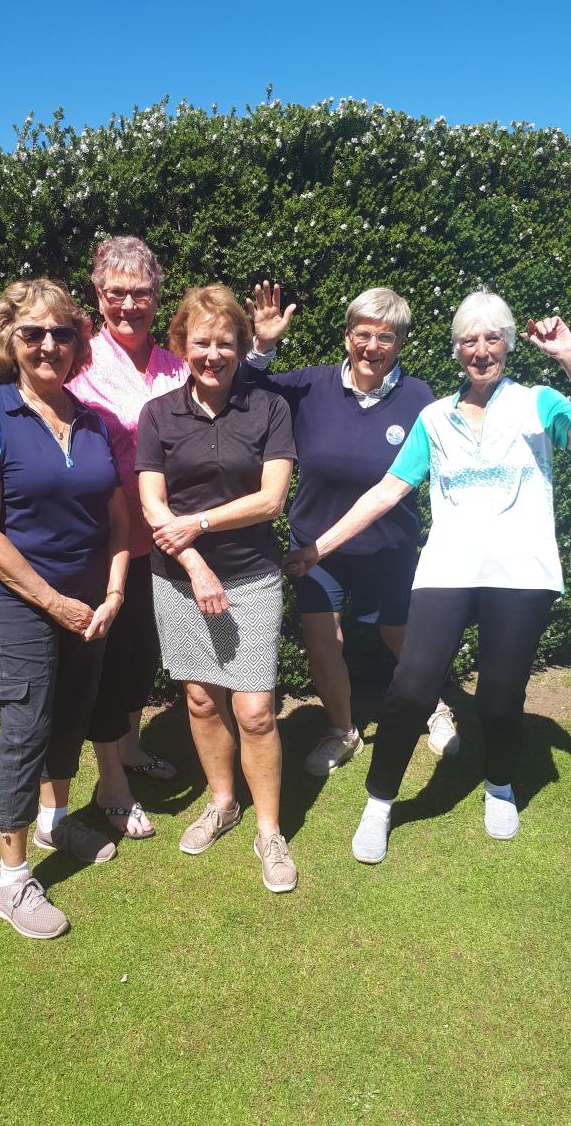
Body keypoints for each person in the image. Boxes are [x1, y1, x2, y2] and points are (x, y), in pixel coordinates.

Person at [285, 293, 571, 861]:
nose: (481, 351)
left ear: (510, 345)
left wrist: (567, 356)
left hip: (521, 573)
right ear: (457, 350)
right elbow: (387, 492)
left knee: (499, 699)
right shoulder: (434, 417)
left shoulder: (539, 404)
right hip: (447, 569)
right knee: (412, 688)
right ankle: (379, 803)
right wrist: (318, 549)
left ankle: (499, 784)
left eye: (492, 339)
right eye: (469, 340)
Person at [68, 237, 280, 836]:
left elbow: (228, 393)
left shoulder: (172, 362)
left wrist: (261, 349)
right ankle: (112, 782)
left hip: (169, 544)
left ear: (157, 298)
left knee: (140, 660)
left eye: (141, 293)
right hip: (111, 538)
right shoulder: (80, 364)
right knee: (110, 663)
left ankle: (133, 748)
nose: (128, 305)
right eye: (116, 293)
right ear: (98, 296)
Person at [0, 278, 130, 938]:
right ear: (10, 340)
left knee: (72, 713)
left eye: (63, 333)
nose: (49, 344)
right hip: (22, 600)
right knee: (27, 726)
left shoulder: (94, 421)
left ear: (79, 342)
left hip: (89, 603)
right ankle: (10, 880)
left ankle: (55, 822)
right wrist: (54, 602)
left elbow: (118, 520)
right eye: (33, 332)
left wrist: (113, 593)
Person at [244, 283, 458, 775]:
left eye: (386, 337)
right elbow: (243, 393)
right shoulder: (311, 386)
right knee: (324, 640)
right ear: (347, 336)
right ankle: (342, 731)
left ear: (400, 344)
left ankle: (435, 705)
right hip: (314, 544)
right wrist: (263, 348)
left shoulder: (418, 397)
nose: (372, 347)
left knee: (400, 634)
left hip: (388, 545)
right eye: (363, 334)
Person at [136, 284, 298, 892]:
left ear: (240, 346)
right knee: (202, 700)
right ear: (181, 344)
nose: (213, 354)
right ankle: (223, 803)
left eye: (225, 343)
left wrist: (199, 524)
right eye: (201, 342)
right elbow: (152, 502)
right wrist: (195, 563)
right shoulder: (158, 415)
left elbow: (271, 499)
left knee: (255, 710)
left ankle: (270, 831)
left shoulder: (269, 408)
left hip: (252, 575)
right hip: (179, 580)